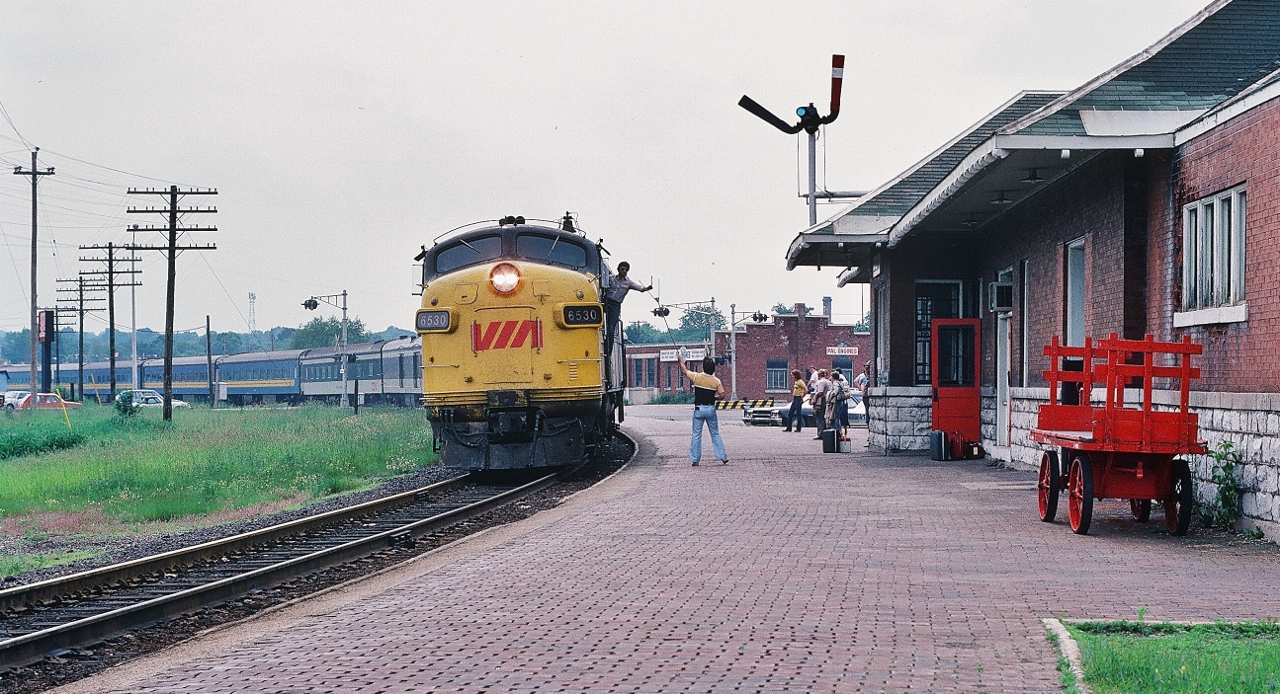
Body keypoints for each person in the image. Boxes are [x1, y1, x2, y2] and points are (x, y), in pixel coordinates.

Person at [677, 351, 728, 466]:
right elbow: (722, 395)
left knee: (696, 434)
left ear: (703, 367)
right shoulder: (716, 381)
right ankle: (722, 456)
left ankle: (695, 460)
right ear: (713, 369)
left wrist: (680, 359)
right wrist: (714, 397)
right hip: (710, 409)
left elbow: (684, 370)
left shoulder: (697, 377)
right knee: (715, 433)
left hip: (699, 410)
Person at [603, 261, 653, 354]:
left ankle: (608, 351)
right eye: (622, 269)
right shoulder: (610, 278)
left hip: (615, 306)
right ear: (618, 270)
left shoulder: (628, 283)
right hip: (606, 302)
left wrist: (647, 288)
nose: (624, 271)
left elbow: (640, 288)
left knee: (611, 328)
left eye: (626, 270)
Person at [810, 369, 832, 439]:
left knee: (819, 418)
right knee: (826, 418)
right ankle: (826, 433)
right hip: (828, 400)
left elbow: (820, 392)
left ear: (819, 375)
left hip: (821, 401)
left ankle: (820, 434)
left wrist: (814, 397)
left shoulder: (821, 382)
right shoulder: (829, 382)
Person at [783, 369, 806, 433]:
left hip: (798, 398)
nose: (792, 377)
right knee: (790, 413)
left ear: (796, 375)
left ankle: (798, 428)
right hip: (795, 398)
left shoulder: (800, 382)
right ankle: (788, 428)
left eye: (793, 375)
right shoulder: (796, 382)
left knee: (799, 414)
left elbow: (805, 389)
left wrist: (802, 397)